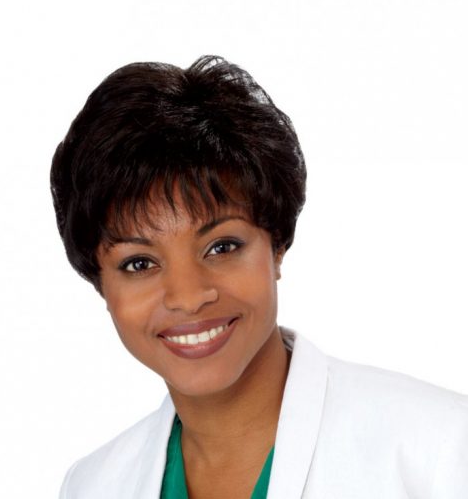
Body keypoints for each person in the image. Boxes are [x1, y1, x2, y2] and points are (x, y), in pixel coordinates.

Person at [51, 56, 467, 499]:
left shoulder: (442, 450)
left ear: (277, 245)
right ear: (99, 282)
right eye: (139, 263)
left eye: (222, 247)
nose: (188, 297)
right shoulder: (91, 485)